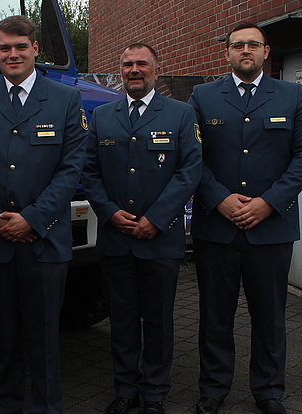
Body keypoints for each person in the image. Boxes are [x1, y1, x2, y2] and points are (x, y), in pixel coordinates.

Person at [0, 15, 88, 414]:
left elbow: (71, 167)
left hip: (45, 241)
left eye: (20, 46)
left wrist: (32, 217)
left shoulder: (65, 99)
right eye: (4, 47)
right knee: (5, 335)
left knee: (45, 338)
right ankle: (6, 404)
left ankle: (48, 407)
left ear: (35, 49)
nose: (13, 54)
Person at [187, 22, 302, 414]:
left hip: (272, 227)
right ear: (226, 53)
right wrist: (220, 198)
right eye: (237, 45)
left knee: (269, 317)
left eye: (253, 45)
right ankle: (213, 389)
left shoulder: (293, 95)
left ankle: (268, 391)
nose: (245, 50)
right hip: (218, 227)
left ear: (266, 51)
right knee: (214, 316)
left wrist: (268, 202)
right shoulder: (203, 96)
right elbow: (191, 156)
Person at [83, 43, 202, 414]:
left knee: (159, 321)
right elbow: (89, 171)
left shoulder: (182, 114)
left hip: (160, 239)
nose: (134, 70)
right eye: (127, 64)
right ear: (121, 70)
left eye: (141, 64)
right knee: (121, 321)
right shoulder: (102, 115)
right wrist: (108, 212)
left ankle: (154, 393)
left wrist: (158, 217)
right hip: (117, 238)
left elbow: (189, 171)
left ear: (155, 69)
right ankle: (125, 390)